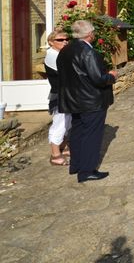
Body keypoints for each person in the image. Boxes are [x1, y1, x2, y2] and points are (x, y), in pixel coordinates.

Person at [57, 20, 117, 183]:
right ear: (90, 34)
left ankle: (76, 165)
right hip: (91, 101)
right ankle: (87, 171)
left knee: (77, 133)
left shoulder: (65, 50)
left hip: (73, 100)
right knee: (91, 135)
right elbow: (98, 78)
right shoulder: (88, 52)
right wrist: (111, 75)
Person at [44, 29, 71, 166]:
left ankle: (63, 147)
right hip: (60, 95)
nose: (65, 41)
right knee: (59, 124)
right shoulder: (52, 55)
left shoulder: (59, 54)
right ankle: (55, 155)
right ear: (51, 42)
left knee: (67, 122)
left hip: (66, 93)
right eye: (60, 40)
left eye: (66, 39)